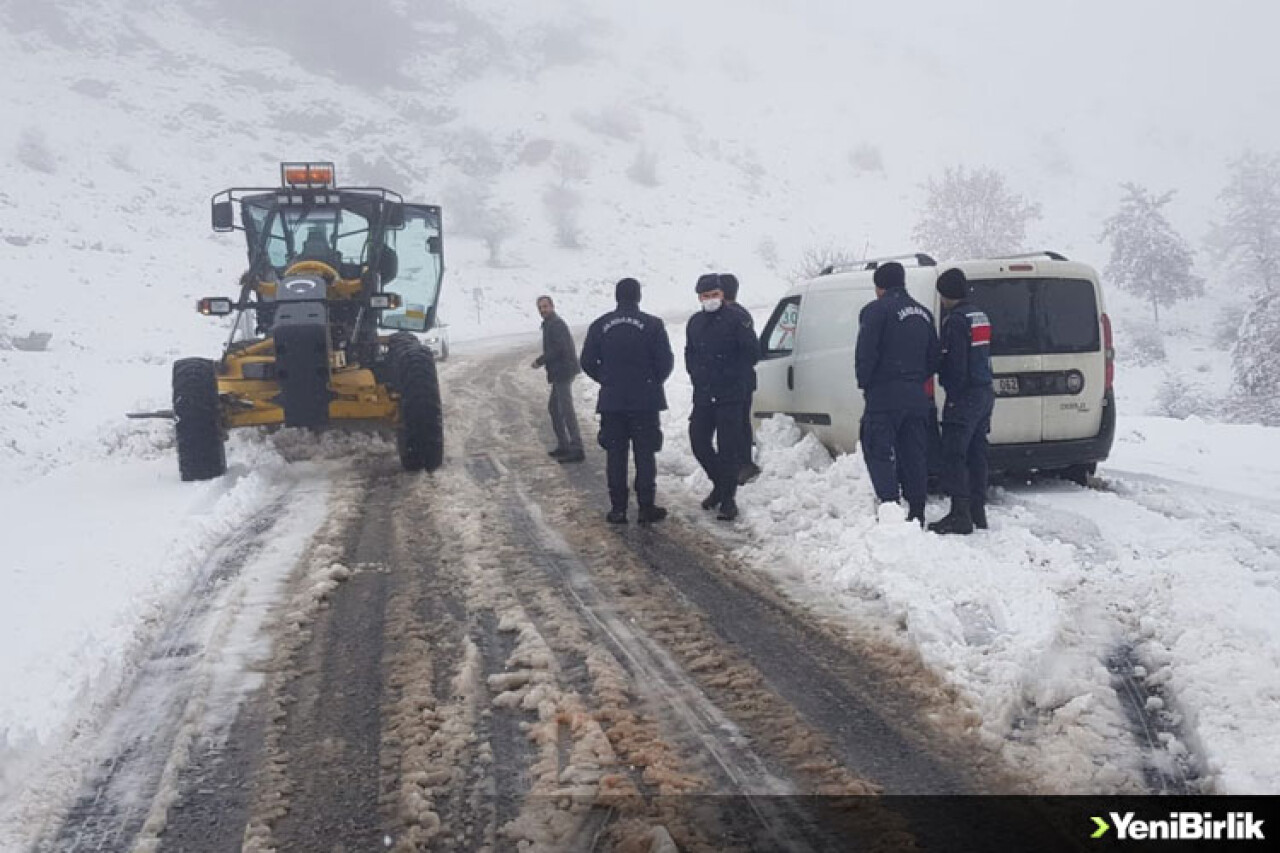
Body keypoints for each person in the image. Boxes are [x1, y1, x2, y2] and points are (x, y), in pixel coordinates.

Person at [579, 278, 675, 524]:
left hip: (613, 402)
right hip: (645, 402)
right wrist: (651, 382)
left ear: (617, 297)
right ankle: (645, 507)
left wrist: (607, 379)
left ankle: (618, 508)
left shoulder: (600, 325)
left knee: (615, 455)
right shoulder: (653, 325)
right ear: (638, 297)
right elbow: (665, 362)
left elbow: (587, 361)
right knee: (645, 455)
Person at [854, 261, 940, 525]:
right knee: (913, 454)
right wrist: (915, 379)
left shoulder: (875, 311)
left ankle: (890, 508)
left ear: (879, 287)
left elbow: (866, 354)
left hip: (884, 395)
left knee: (878, 450)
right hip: (916, 396)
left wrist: (867, 383)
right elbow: (934, 357)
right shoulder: (924, 314)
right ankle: (917, 510)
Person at [685, 273, 760, 521]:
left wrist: (731, 375)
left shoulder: (737, 319)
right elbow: (690, 353)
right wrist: (697, 375)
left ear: (722, 294)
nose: (710, 300)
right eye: (705, 296)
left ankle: (728, 500)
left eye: (714, 295)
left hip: (731, 395)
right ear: (699, 298)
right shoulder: (695, 322)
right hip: (704, 395)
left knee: (729, 449)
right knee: (699, 442)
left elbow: (751, 353)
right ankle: (720, 485)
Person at [929, 268, 994, 535]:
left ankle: (960, 515)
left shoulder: (955, 321)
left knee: (954, 454)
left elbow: (955, 364)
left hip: (964, 396)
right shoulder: (980, 316)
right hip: (984, 392)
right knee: (977, 453)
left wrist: (948, 386)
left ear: (945, 294)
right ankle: (977, 510)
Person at [531, 295, 584, 463]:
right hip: (559, 371)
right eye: (540, 308)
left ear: (552, 306)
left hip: (564, 371)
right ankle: (564, 445)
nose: (542, 310)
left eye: (545, 306)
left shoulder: (556, 325)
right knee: (554, 408)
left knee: (566, 410)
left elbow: (559, 349)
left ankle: (577, 448)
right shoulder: (549, 324)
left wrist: (540, 361)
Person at [720, 273, 762, 485]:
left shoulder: (734, 316)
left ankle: (743, 463)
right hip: (741, 378)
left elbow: (752, 350)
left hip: (737, 379)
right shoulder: (741, 314)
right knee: (739, 422)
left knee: (736, 423)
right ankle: (740, 461)